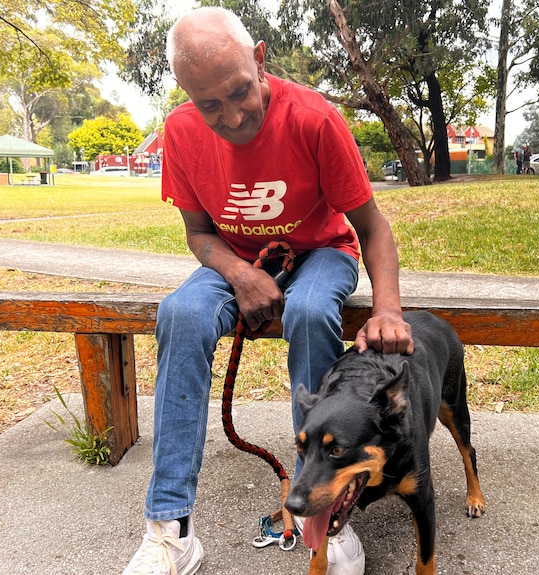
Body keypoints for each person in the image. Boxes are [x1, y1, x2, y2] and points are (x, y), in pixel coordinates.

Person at [123, 7, 414, 575]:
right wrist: (239, 273)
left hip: (323, 251)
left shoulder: (313, 117)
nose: (232, 116)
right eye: (210, 104)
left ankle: (330, 521)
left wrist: (387, 309)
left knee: (308, 310)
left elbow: (373, 227)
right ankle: (170, 530)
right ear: (186, 95)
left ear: (259, 59)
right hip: (236, 258)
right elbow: (199, 234)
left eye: (239, 92)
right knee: (180, 312)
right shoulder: (180, 132)